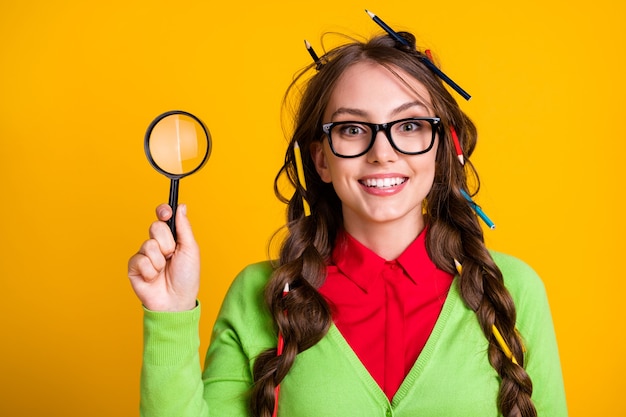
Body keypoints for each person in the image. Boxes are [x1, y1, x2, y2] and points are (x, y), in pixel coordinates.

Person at [128, 30, 567, 417]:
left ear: (440, 145)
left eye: (410, 124)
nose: (383, 153)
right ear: (320, 157)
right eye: (353, 129)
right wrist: (170, 314)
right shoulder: (260, 294)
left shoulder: (513, 288)